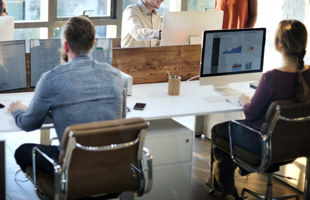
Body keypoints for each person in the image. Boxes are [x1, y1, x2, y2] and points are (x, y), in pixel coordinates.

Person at [9, 16, 127, 177]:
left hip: (72, 169)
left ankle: (59, 189)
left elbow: (29, 124)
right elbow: (121, 117)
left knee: (22, 151)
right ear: (92, 44)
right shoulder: (115, 75)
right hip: (111, 166)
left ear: (65, 46)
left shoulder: (51, 79)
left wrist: (18, 111)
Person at [206, 19, 310, 199]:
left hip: (262, 143)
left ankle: (225, 185)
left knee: (218, 130)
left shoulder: (271, 78)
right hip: (298, 144)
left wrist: (246, 100)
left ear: (279, 44)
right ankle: (230, 177)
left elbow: (251, 113)